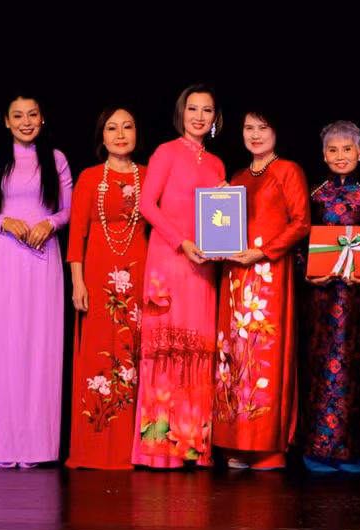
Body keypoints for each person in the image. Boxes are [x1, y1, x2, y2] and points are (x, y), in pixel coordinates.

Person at [0, 91, 73, 468]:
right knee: (1, 348)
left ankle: (35, 448)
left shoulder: (55, 159)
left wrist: (50, 223)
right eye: (18, 116)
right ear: (6, 122)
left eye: (33, 114)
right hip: (3, 259)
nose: (26, 121)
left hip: (43, 260)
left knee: (39, 347)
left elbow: (68, 209)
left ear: (42, 119)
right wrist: (3, 221)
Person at [132, 85, 225, 468]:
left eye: (207, 110)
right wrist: (181, 241)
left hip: (203, 265)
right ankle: (157, 452)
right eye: (193, 109)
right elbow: (146, 205)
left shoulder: (217, 163)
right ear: (180, 113)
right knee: (166, 352)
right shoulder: (166, 152)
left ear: (215, 118)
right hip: (169, 261)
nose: (199, 116)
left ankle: (192, 449)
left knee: (197, 350)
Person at [213, 108, 311, 470]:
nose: (255, 135)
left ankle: (267, 446)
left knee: (264, 354)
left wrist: (262, 251)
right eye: (248, 128)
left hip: (269, 274)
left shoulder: (288, 170)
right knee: (233, 359)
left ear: (276, 132)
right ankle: (234, 442)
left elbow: (301, 222)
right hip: (235, 276)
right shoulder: (236, 176)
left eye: (263, 128)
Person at [299, 120, 360, 473]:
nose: (340, 156)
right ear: (323, 154)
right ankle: (318, 449)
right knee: (319, 367)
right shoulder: (314, 195)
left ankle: (359, 450)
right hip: (320, 299)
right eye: (333, 150)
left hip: (358, 302)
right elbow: (300, 245)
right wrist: (309, 270)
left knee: (356, 367)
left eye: (347, 149)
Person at [66, 106, 147, 469]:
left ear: (136, 134)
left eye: (127, 127)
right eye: (112, 128)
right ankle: (94, 447)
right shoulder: (88, 178)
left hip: (139, 272)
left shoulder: (149, 175)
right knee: (98, 357)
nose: (119, 134)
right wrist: (77, 281)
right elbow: (76, 234)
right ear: (101, 136)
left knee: (133, 356)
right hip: (97, 276)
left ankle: (132, 449)